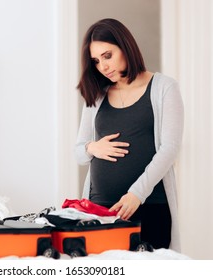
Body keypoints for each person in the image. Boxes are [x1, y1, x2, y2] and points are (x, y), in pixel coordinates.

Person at [75, 18, 184, 251]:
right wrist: (92, 147)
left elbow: (170, 147)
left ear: (125, 47)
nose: (103, 66)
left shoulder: (164, 87)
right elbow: (79, 153)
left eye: (107, 56)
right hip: (100, 210)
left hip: (149, 206)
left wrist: (136, 194)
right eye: (96, 61)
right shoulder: (97, 94)